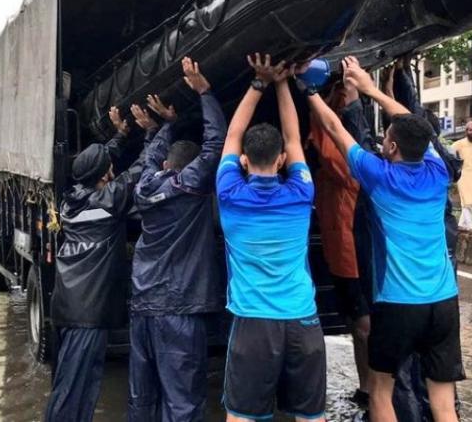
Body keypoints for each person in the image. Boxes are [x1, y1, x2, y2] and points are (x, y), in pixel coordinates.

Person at [308, 56, 464, 422]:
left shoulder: (378, 176)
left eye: (386, 140)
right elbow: (417, 128)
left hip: (398, 304)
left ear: (391, 148)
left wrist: (306, 88)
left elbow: (333, 127)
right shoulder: (437, 171)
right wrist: (372, 89)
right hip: (443, 302)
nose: (382, 142)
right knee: (443, 404)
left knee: (380, 392)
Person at [216, 53, 326, 422]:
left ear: (244, 160)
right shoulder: (300, 192)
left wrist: (258, 82)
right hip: (303, 322)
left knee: (242, 417)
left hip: (253, 323)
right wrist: (282, 84)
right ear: (281, 160)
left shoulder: (230, 194)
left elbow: (232, 135)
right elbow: (294, 138)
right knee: (312, 417)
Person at [128, 57, 226, 422]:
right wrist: (205, 93)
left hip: (142, 307)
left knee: (143, 397)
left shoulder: (145, 187)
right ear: (189, 168)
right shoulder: (189, 187)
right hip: (179, 308)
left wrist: (162, 129)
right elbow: (216, 145)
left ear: (168, 165)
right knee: (183, 400)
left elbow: (152, 159)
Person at [45, 105, 157, 422]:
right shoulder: (109, 202)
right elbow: (139, 169)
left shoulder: (71, 199)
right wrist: (150, 131)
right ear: (105, 176)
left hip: (68, 308)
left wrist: (121, 134)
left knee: (68, 381)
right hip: (88, 314)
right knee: (76, 388)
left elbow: (93, 166)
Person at [309, 80, 371, 409]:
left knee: (362, 325)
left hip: (351, 258)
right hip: (341, 256)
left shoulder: (348, 166)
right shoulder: (342, 168)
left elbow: (326, 134)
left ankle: (376, 393)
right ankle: (368, 389)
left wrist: (310, 94)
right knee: (357, 324)